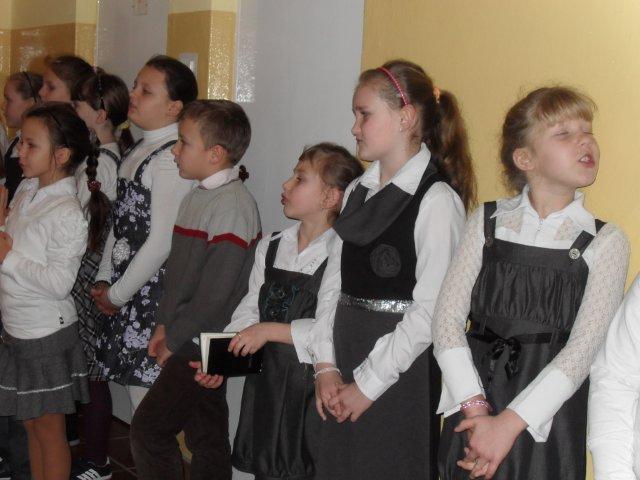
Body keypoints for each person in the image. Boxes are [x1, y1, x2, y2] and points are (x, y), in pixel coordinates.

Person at [433, 86, 630, 480]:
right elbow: (445, 321)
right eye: (564, 133)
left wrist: (507, 425)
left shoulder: (606, 241)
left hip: (546, 417)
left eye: (587, 130)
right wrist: (475, 408)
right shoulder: (486, 221)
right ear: (525, 158)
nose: (585, 141)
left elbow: (583, 351)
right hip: (475, 400)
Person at [310, 59, 476, 479]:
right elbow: (332, 286)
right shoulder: (356, 191)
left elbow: (432, 310)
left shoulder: (436, 201)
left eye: (364, 114)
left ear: (405, 117)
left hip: (399, 371)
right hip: (343, 356)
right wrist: (325, 365)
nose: (354, 127)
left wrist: (367, 384)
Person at [195, 142, 363, 479]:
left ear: (331, 197)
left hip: (312, 388)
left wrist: (269, 331)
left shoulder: (345, 254)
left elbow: (333, 327)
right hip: (268, 385)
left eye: (300, 178)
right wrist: (224, 357)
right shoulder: (271, 246)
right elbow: (250, 309)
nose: (286, 184)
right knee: (267, 468)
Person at [129, 99, 260, 480]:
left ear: (215, 154)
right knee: (207, 432)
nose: (175, 150)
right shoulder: (197, 196)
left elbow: (215, 293)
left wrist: (176, 339)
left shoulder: (233, 206)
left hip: (204, 339)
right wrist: (163, 324)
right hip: (187, 333)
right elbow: (179, 276)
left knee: (149, 430)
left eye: (183, 142)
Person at [93, 55, 198, 410]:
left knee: (147, 402)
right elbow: (120, 223)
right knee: (137, 399)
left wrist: (118, 294)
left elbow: (162, 241)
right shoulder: (140, 148)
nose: (133, 95)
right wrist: (105, 276)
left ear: (174, 107)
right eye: (135, 86)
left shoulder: (169, 158)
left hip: (150, 294)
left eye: (146, 91)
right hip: (127, 287)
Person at [0, 102, 94, 480]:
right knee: (30, 424)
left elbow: (58, 284)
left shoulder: (66, 211)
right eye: (21, 143)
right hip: (18, 329)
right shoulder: (28, 189)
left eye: (30, 145)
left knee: (49, 431)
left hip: (45, 336)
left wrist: (7, 258)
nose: (20, 152)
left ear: (62, 155)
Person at [69, 69, 134, 480]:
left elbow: (93, 230)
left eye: (78, 104)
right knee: (86, 371)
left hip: (89, 275)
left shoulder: (105, 166)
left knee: (93, 376)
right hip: (87, 272)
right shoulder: (99, 159)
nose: (72, 109)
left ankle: (97, 459)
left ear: (100, 114)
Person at [2, 71, 42, 202]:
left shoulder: (38, 148)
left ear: (30, 104)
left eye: (8, 100)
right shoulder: (14, 141)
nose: (3, 106)